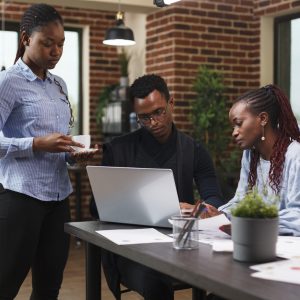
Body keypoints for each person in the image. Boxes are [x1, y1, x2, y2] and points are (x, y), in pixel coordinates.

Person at [91, 74, 224, 300]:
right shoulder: (118, 150)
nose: (153, 122)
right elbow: (97, 208)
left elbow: (213, 199)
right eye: (144, 117)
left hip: (183, 245)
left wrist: (198, 211)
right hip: (133, 251)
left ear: (171, 104)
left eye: (159, 112)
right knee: (155, 279)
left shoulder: (194, 150)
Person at [0, 4, 98, 300]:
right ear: (26, 38)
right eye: (47, 43)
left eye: (61, 44)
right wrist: (35, 144)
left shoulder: (60, 85)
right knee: (5, 283)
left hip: (58, 199)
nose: (56, 51)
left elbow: (60, 141)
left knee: (49, 286)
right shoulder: (9, 82)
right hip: (21, 199)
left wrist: (73, 153)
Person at [205, 84, 300, 236]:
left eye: (239, 123)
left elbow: (297, 216)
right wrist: (215, 213)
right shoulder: (250, 155)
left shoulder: (295, 155)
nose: (234, 133)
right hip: (255, 240)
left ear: (263, 119)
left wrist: (251, 223)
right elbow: (241, 200)